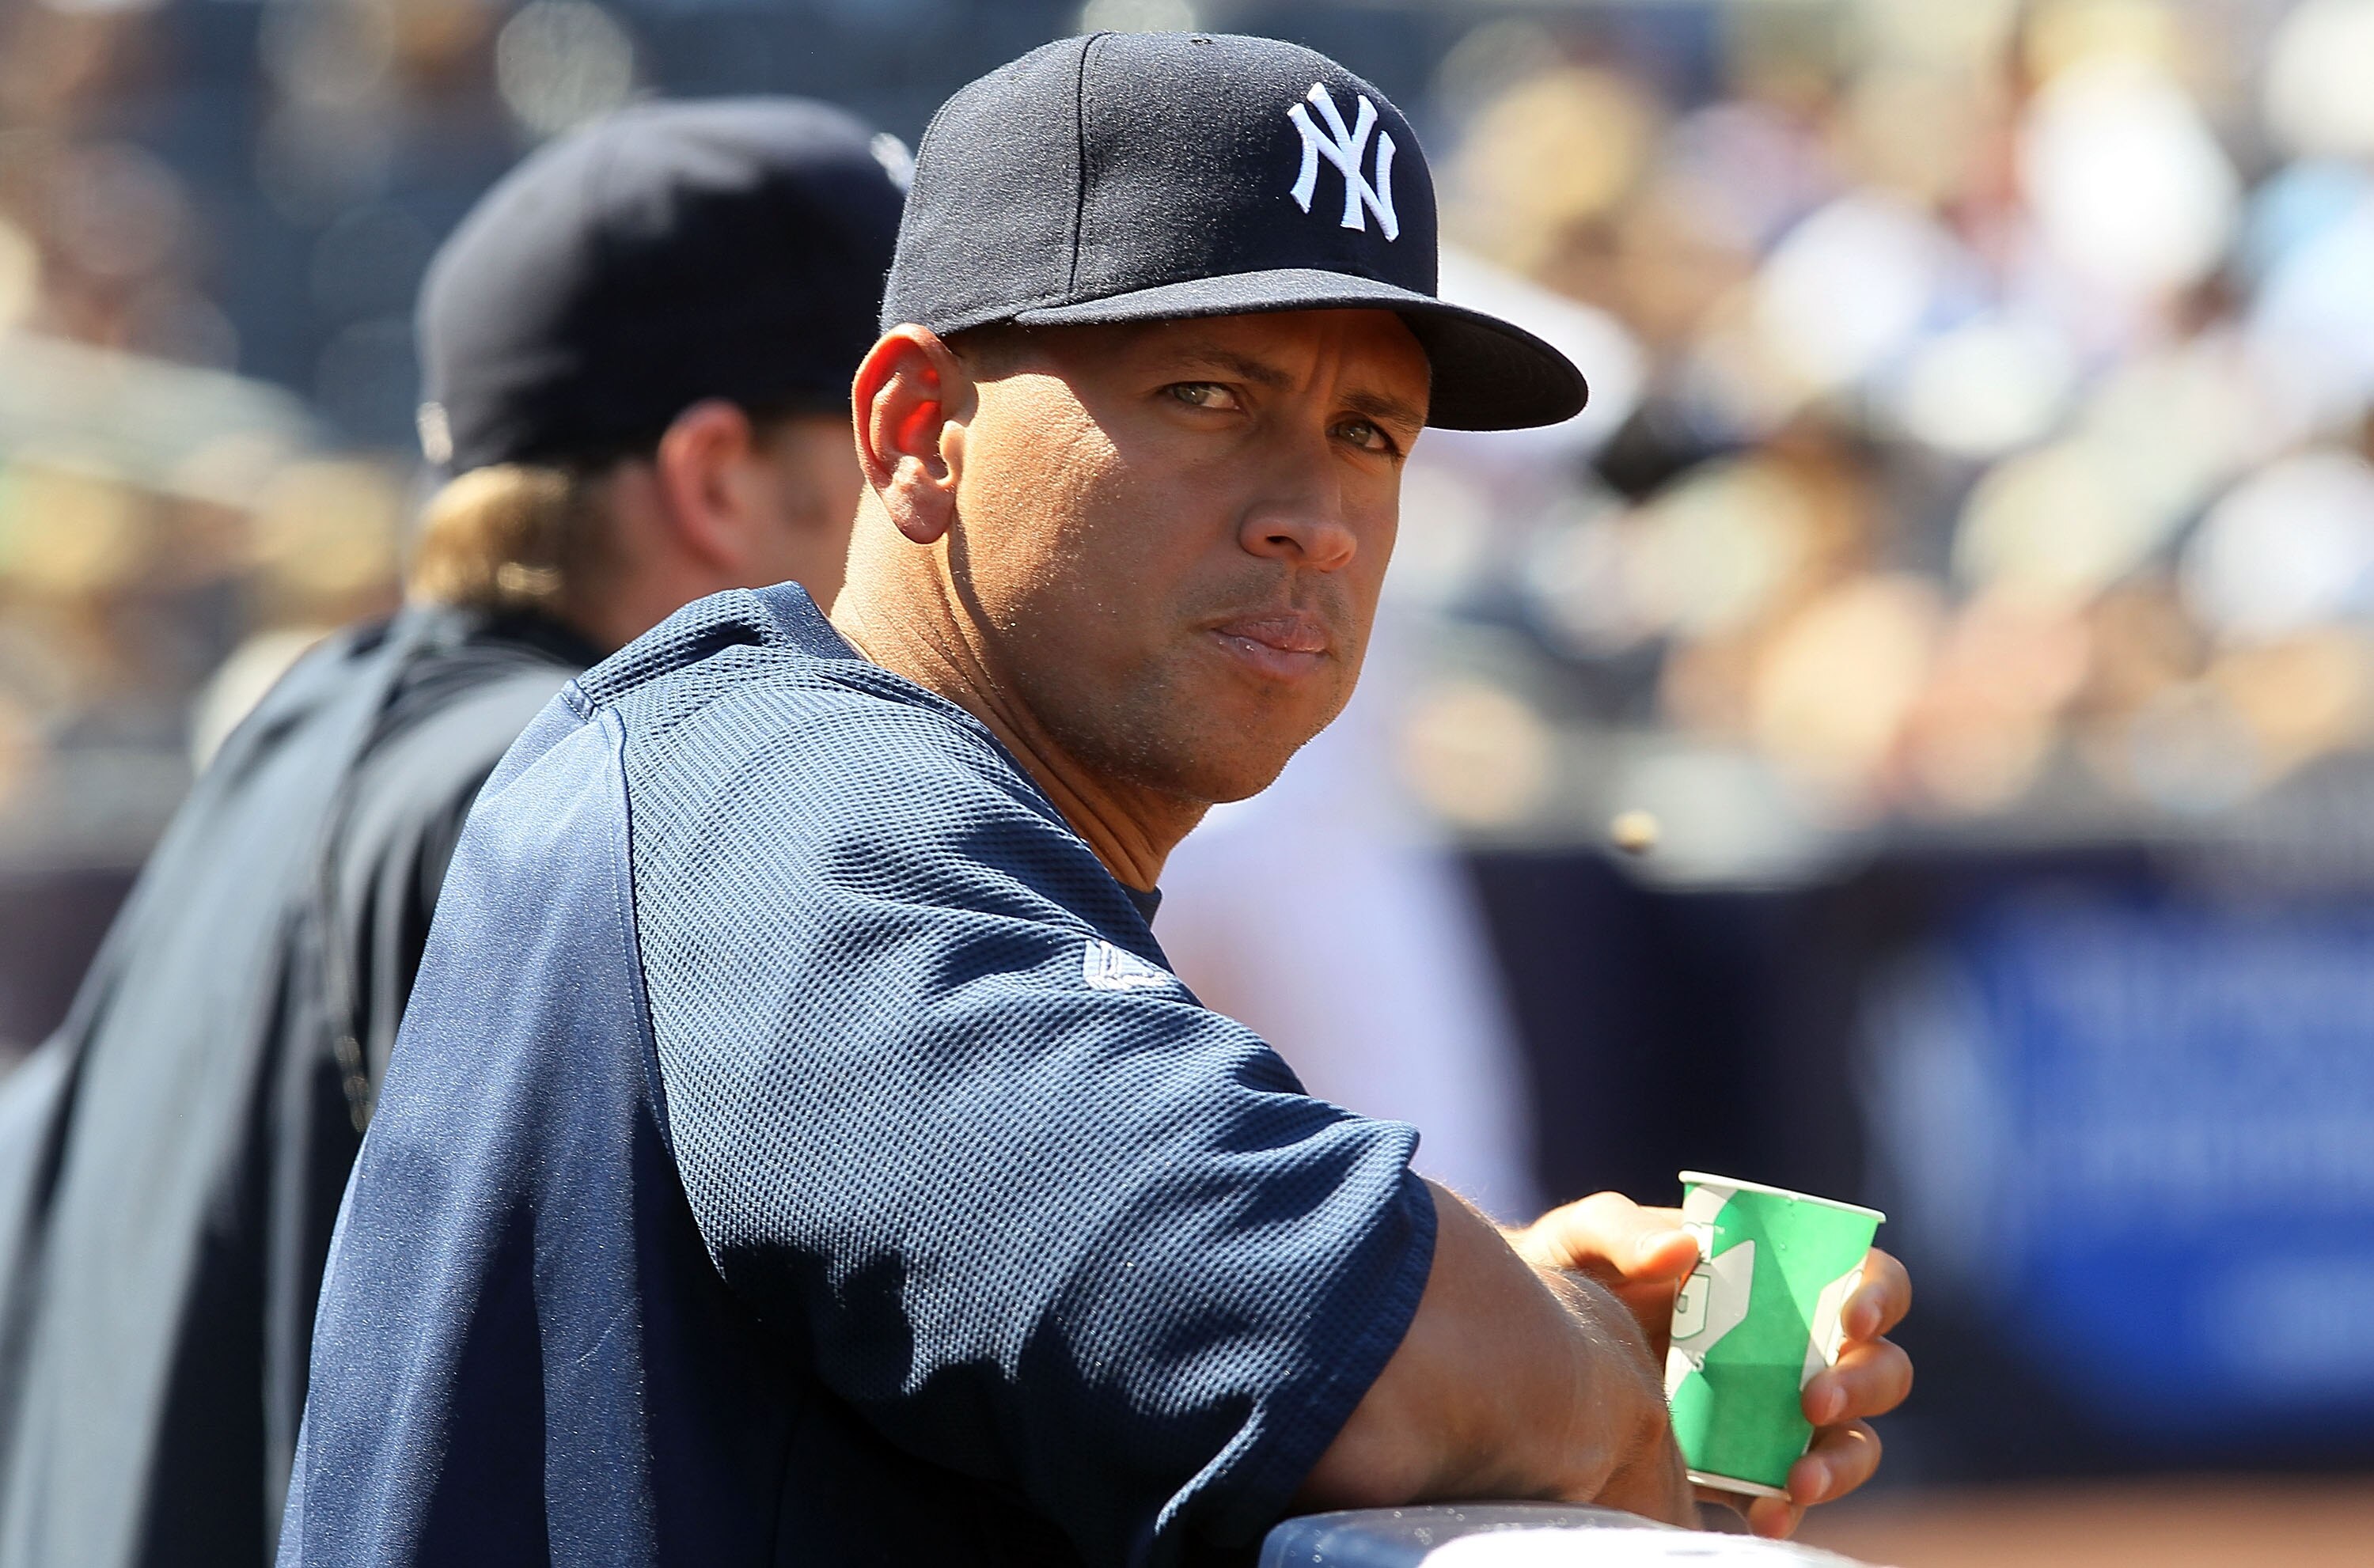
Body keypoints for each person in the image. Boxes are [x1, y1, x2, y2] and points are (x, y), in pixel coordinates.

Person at [281, 34, 1911, 1568]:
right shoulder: (785, 797)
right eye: (1209, 394)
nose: (1317, 518)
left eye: (1369, 431)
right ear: (917, 434)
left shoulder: (846, 799)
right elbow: (1370, 1358)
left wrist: (1551, 1336)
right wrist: (1571, 1376)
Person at [0, 98, 906, 1568]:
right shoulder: (572, 800)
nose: (944, 493)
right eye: (899, 428)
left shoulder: (309, 737)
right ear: (718, 478)